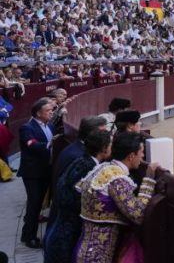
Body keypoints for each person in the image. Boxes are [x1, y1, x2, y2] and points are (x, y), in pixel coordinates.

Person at [74, 132, 159, 263]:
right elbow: (138, 215)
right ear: (131, 156)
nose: (143, 156)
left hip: (84, 248)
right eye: (141, 152)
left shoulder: (103, 168)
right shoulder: (116, 179)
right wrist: (148, 180)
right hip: (98, 256)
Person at [44, 130, 112, 263]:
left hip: (60, 228)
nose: (112, 148)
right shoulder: (90, 168)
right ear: (104, 149)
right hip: (68, 234)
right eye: (110, 145)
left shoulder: (82, 161)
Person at [18, 98, 55, 248]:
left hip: (45, 170)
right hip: (33, 173)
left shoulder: (49, 125)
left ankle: (26, 234)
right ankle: (30, 237)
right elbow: (30, 144)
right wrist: (49, 144)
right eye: (48, 111)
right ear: (38, 113)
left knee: (37, 204)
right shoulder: (27, 127)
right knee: (34, 204)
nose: (51, 113)